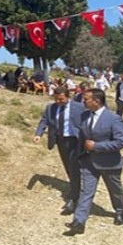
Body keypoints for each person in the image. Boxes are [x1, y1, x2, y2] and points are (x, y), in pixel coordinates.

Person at [64, 89, 123, 236]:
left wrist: (97, 146)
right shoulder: (85, 116)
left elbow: (121, 142)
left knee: (115, 190)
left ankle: (120, 211)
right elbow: (81, 136)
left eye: (86, 99)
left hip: (109, 163)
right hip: (88, 161)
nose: (83, 102)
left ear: (96, 101)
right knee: (86, 191)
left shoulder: (113, 118)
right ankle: (79, 222)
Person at [33, 87, 84, 215]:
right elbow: (44, 120)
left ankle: (74, 196)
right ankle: (75, 187)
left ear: (68, 96)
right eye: (56, 99)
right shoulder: (51, 108)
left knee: (73, 167)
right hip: (61, 141)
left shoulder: (79, 107)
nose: (58, 102)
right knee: (68, 166)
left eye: (61, 99)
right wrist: (39, 133)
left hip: (76, 141)